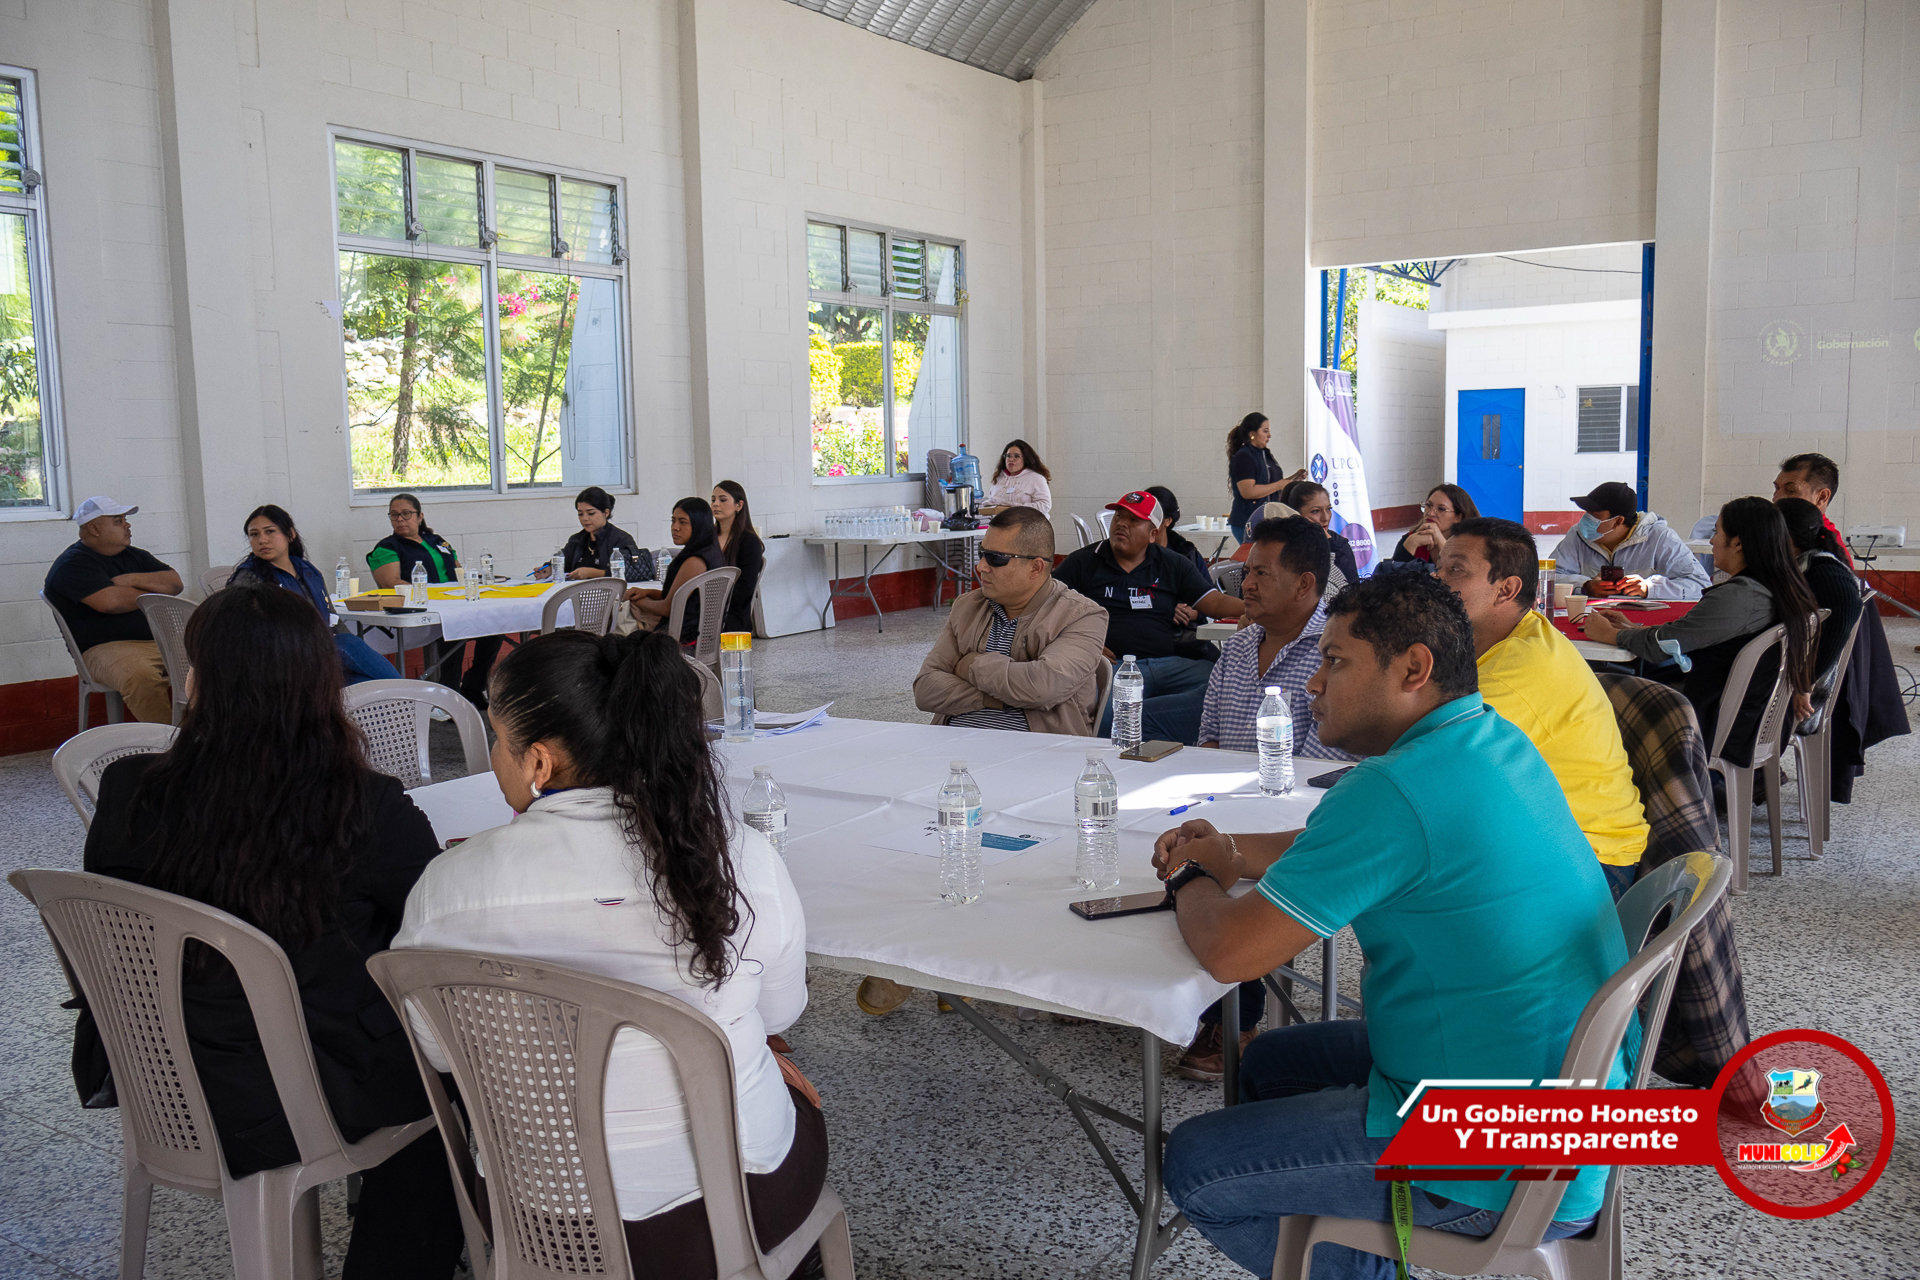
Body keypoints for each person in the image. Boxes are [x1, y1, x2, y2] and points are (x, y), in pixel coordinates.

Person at [1151, 571, 1629, 1277]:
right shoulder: (1483, 738)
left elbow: (1230, 952)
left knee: (1197, 1165)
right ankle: (1348, 1240)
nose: (1314, 683)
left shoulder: (1394, 787)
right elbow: (1348, 846)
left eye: (1335, 661)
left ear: (1413, 668)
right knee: (1270, 1064)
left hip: (1501, 1151)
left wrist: (1191, 878)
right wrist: (1229, 852)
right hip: (1560, 1097)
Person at [395, 628, 822, 1279]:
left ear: (539, 763)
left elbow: (439, 1050)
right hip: (732, 1210)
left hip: (536, 1219)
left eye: (497, 738)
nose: (495, 755)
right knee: (782, 1075)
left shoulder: (448, 889)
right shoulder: (741, 860)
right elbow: (781, 1014)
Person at [80, 584, 465, 1278]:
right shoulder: (362, 805)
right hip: (301, 1094)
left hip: (162, 1080)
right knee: (456, 1082)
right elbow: (435, 935)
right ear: (323, 688)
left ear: (198, 683)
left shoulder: (129, 789)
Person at [1159, 516, 1357, 1082]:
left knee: (1235, 870)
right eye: (1246, 572)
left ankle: (1233, 1018)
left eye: (1262, 574)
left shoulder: (1335, 654)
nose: (1245, 584)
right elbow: (1209, 742)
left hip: (1294, 810)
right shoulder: (1239, 646)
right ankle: (1152, 987)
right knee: (1157, 839)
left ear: (1305, 584)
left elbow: (1320, 770)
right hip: (1227, 800)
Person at [1434, 518, 1650, 895]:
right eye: (1438, 567)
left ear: (1507, 589)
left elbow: (1426, 762)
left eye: (1455, 570)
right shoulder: (1518, 629)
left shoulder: (1513, 672)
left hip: (1589, 859)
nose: (1436, 579)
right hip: (1549, 838)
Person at [1584, 497, 1816, 771]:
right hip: (1746, 715)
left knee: (1595, 687)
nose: (1712, 541)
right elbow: (1683, 635)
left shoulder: (1739, 597)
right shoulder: (1780, 586)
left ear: (1737, 543)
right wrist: (1631, 629)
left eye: (1717, 532)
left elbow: (1662, 646)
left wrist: (1609, 635)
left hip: (1712, 719)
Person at [1053, 490, 1245, 736]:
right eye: (1119, 516)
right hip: (1115, 666)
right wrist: (1084, 645)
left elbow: (1214, 603)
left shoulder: (1172, 563)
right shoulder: (1084, 561)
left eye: (1134, 520)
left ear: (1153, 534)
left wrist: (1257, 609)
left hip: (1168, 664)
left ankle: (1190, 749)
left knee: (1226, 686)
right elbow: (1046, 606)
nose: (1122, 524)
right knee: (1109, 726)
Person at [914, 506, 1108, 734]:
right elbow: (925, 689)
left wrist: (971, 665)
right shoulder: (968, 606)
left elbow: (1042, 688)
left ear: (1035, 567)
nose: (981, 566)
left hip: (1037, 750)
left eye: (996, 558)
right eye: (982, 553)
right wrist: (997, 698)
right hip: (954, 746)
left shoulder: (1081, 616)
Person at [42, 495, 183, 723]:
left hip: (160, 640)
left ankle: (205, 734)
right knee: (141, 677)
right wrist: (154, 592)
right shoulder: (73, 564)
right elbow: (111, 603)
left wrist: (130, 579)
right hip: (106, 648)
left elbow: (175, 583)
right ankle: (170, 740)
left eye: (125, 520)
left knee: (214, 659)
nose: (127, 525)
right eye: (118, 521)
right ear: (94, 529)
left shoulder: (135, 556)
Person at [230, 504, 394, 685]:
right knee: (346, 644)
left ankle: (410, 697)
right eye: (254, 534)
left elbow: (333, 618)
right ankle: (414, 694)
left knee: (367, 683)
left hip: (319, 654)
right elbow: (240, 632)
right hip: (283, 658)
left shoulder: (308, 571)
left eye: (270, 531)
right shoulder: (249, 578)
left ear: (290, 534)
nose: (262, 540)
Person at [367, 492, 500, 706]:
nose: (400, 519)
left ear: (420, 516)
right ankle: (450, 696)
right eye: (394, 515)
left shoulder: (437, 541)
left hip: (454, 602)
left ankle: (473, 687)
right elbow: (391, 583)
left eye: (406, 514)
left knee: (494, 626)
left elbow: (459, 571)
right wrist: (430, 594)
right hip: (419, 608)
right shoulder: (387, 547)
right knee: (454, 629)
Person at [1775, 498, 1862, 724]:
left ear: (1784, 537)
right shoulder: (1799, 563)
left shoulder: (1822, 569)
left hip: (1800, 703)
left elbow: (1845, 611)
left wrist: (1805, 683)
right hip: (1791, 692)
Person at [1548, 481, 1709, 600]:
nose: (1586, 520)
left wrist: (1650, 588)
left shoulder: (1659, 537)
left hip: (1644, 623)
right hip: (1591, 616)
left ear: (1618, 521)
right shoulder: (1577, 535)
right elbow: (1548, 577)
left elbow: (1700, 585)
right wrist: (1585, 586)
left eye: (1595, 516)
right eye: (1586, 513)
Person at [627, 497, 727, 642]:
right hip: (702, 636)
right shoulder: (711, 551)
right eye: (673, 521)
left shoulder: (695, 561)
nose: (675, 527)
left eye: (683, 522)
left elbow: (668, 608)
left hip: (683, 640)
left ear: (699, 525)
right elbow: (678, 596)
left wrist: (634, 602)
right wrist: (647, 592)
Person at [1225, 413, 1302, 542]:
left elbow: (1270, 485)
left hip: (1269, 519)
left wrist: (1293, 479)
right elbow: (1248, 491)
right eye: (1265, 431)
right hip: (1248, 520)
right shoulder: (1244, 457)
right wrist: (1279, 485)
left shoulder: (1266, 455)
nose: (1269, 435)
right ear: (1252, 434)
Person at [1280, 479, 1361, 594]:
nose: (1325, 518)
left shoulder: (1338, 544)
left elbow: (1353, 589)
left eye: (1328, 509)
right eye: (1315, 511)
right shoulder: (1282, 545)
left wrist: (1331, 545)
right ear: (1295, 514)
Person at [1773, 452, 1852, 565]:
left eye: (1790, 490)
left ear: (1822, 497)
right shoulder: (1775, 528)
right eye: (1777, 488)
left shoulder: (1830, 551)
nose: (1776, 498)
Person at [563, 486, 651, 582]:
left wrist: (592, 573)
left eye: (591, 513)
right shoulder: (576, 540)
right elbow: (562, 564)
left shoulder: (621, 539)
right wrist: (551, 568)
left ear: (606, 513)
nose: (585, 518)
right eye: (580, 514)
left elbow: (630, 572)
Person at [712, 480, 766, 634]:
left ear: (739, 505)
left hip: (731, 615)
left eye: (723, 500)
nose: (715, 504)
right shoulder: (708, 537)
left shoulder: (749, 541)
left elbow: (745, 588)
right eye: (713, 500)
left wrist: (710, 598)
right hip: (703, 608)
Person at [1389, 484, 1478, 564]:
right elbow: (1392, 575)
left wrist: (1442, 543)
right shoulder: (1410, 538)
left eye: (1441, 509)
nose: (1430, 513)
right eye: (1428, 505)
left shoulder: (1470, 545)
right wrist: (1411, 543)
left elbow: (1461, 572)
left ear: (1457, 518)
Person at [1145, 485, 1212, 578]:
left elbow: (1206, 586)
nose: (1144, 520)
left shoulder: (1188, 554)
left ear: (1168, 521)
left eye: (1153, 516)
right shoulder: (1131, 554)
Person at [982, 438, 1053, 515]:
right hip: (1002, 521)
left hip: (1028, 521)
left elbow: (1045, 505)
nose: (1011, 459)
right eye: (1008, 456)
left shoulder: (1036, 478)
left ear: (1025, 459)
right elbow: (992, 501)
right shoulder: (998, 477)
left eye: (1016, 456)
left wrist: (1016, 508)